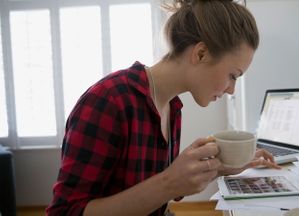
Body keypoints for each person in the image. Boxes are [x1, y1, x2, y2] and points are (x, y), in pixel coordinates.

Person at [46, 0, 281, 215]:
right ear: (201, 53)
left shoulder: (171, 107)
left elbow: (156, 191)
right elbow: (64, 212)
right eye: (233, 75)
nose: (231, 90)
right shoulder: (108, 101)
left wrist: (219, 167)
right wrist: (169, 182)